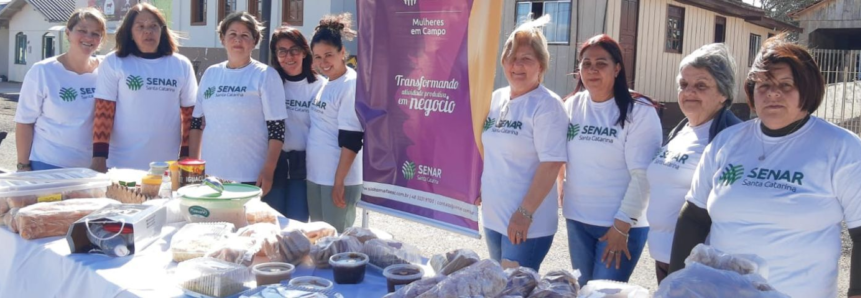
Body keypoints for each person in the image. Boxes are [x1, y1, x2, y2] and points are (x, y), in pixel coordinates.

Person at [669, 34, 861, 298]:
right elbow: (693, 216)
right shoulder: (727, 142)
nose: (773, 93)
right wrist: (676, 284)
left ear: (808, 89)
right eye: (763, 85)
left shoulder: (842, 147)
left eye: (786, 85)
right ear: (751, 91)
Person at [561, 34, 662, 285]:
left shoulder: (639, 111)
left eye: (601, 63)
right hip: (578, 220)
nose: (592, 70)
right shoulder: (571, 106)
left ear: (617, 68)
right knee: (583, 290)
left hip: (620, 225)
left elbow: (643, 175)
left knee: (603, 292)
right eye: (586, 63)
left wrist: (621, 226)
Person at [645, 43, 742, 284]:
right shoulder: (682, 129)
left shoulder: (731, 138)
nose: (689, 92)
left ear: (724, 92)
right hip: (666, 259)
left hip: (700, 268)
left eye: (701, 86)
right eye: (684, 85)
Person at [480, 15, 567, 271]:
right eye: (511, 57)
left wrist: (524, 214)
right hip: (494, 216)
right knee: (499, 284)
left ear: (541, 65)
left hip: (526, 221)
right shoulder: (496, 99)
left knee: (513, 289)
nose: (517, 65)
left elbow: (552, 164)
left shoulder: (547, 105)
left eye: (526, 59)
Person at [187, 12, 287, 196]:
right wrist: (195, 167)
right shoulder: (210, 74)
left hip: (250, 176)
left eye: (245, 35)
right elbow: (196, 123)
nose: (237, 40)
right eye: (232, 34)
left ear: (254, 41)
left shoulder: (265, 75)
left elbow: (277, 129)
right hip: (211, 177)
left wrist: (268, 169)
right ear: (222, 39)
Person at [91, 3, 197, 172]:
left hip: (167, 165)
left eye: (153, 26)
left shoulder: (181, 64)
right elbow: (103, 113)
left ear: (162, 31)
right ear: (130, 32)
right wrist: (99, 158)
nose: (148, 31)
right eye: (140, 26)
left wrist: (186, 154)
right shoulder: (114, 62)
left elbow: (190, 114)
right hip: (121, 164)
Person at [15, 8, 107, 171]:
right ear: (68, 33)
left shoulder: (107, 70)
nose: (89, 37)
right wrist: (23, 166)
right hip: (47, 165)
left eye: (96, 33)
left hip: (91, 169)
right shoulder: (43, 71)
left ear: (101, 39)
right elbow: (24, 122)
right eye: (82, 30)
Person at [306, 13, 362, 233]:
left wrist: (339, 181)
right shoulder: (325, 84)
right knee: (319, 242)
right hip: (316, 176)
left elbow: (352, 138)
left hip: (338, 180)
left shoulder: (351, 84)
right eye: (317, 57)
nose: (323, 62)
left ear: (342, 53)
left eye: (328, 55)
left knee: (337, 244)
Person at [264, 26, 326, 221]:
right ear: (275, 54)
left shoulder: (319, 86)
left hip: (304, 166)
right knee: (272, 223)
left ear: (304, 52)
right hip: (275, 163)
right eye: (282, 51)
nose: (288, 56)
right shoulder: (269, 83)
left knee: (297, 224)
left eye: (294, 50)